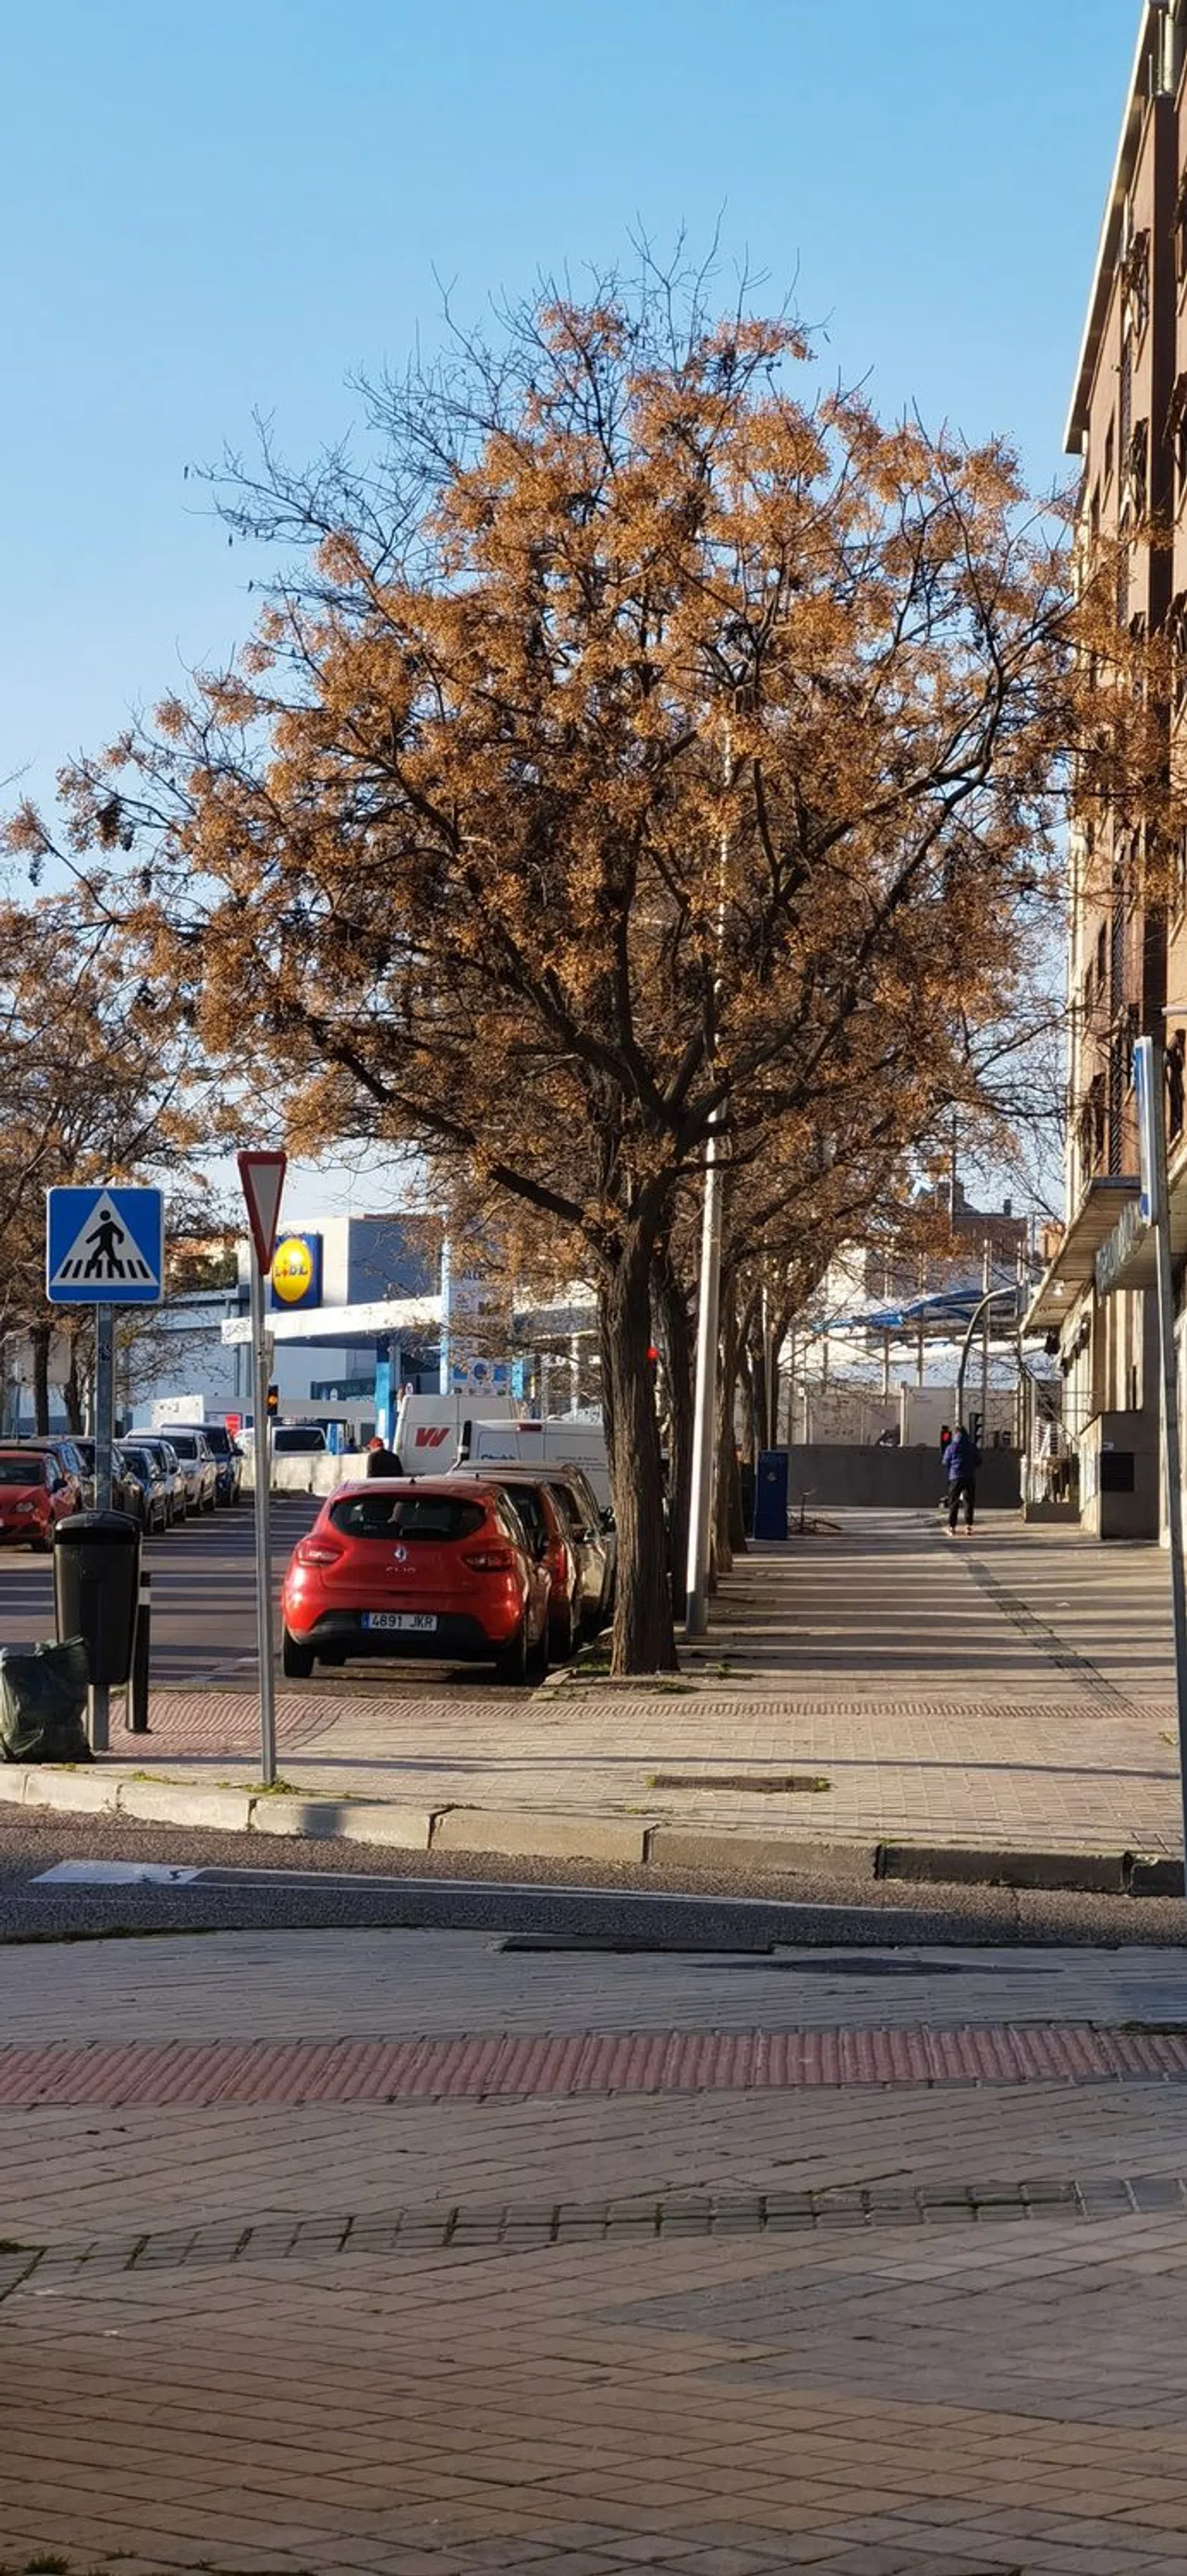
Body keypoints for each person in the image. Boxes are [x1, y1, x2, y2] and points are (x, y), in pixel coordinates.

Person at [945, 1422, 980, 1535]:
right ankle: (968, 1526)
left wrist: (951, 1470)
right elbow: (979, 1460)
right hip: (969, 1476)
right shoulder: (971, 1447)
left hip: (955, 1477)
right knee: (969, 1502)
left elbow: (946, 1461)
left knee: (953, 1502)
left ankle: (952, 1527)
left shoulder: (951, 1447)